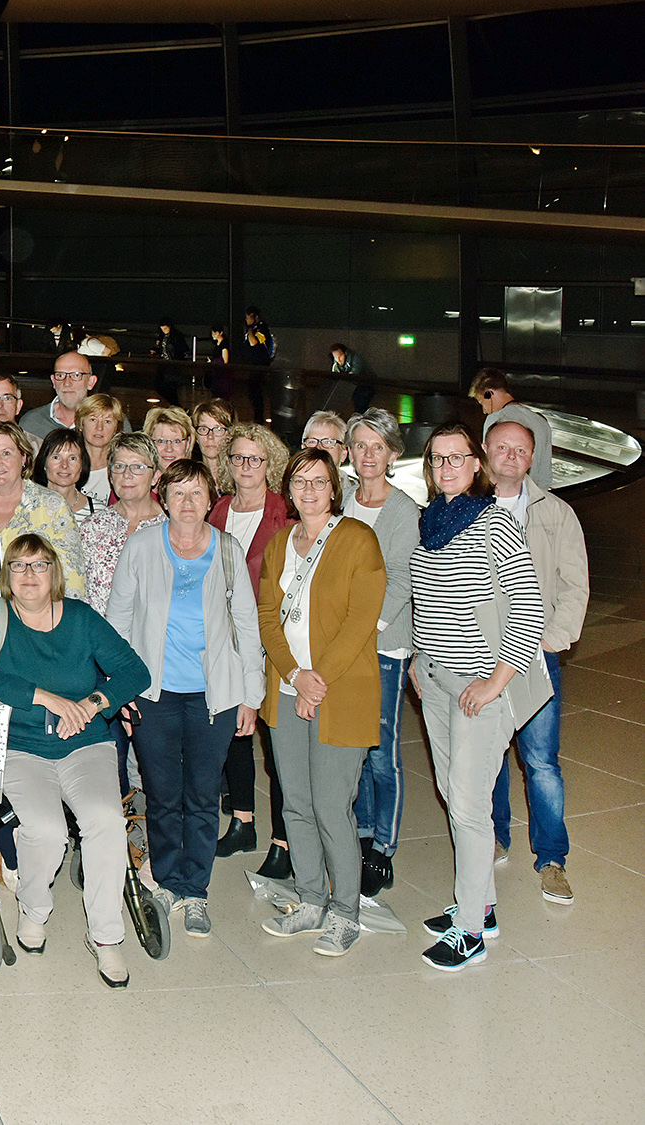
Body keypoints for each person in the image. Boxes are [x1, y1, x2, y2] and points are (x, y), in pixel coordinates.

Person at [0, 533, 148, 986]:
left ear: (55, 573)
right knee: (46, 829)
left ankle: (106, 938)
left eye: (39, 565)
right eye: (19, 566)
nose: (29, 575)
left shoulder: (82, 619)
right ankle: (34, 909)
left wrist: (92, 703)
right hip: (23, 743)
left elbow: (134, 670)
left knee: (105, 819)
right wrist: (45, 698)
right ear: (7, 574)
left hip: (86, 742)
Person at [106, 458, 264, 940]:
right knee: (161, 792)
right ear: (164, 497)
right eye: (178, 493)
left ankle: (195, 890)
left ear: (210, 498)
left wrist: (251, 697)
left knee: (200, 796)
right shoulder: (141, 546)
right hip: (153, 693)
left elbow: (248, 626)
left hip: (212, 695)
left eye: (197, 493)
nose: (188, 503)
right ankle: (167, 882)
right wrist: (121, 690)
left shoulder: (229, 550)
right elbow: (118, 621)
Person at [410, 423, 547, 971]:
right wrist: (421, 658)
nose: (446, 467)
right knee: (451, 791)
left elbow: (528, 609)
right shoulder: (430, 523)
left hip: (481, 690)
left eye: (456, 458)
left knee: (468, 805)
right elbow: (430, 598)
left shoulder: (495, 524)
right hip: (439, 683)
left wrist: (495, 682)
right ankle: (480, 905)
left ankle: (469, 930)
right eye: (437, 458)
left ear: (476, 465)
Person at [256, 449, 385, 957]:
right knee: (296, 804)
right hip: (286, 691)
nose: (309, 491)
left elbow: (361, 619)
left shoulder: (358, 539)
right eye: (299, 482)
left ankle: (346, 912)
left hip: (340, 692)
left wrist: (317, 679)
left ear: (335, 488)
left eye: (319, 482)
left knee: (333, 806)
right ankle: (310, 900)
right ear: (289, 490)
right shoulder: (279, 544)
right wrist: (293, 674)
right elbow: (268, 613)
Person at [486, 419, 587, 906]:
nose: (510, 456)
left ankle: (552, 859)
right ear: (485, 452)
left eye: (520, 450)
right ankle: (494, 837)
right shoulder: (465, 508)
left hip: (533, 657)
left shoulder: (556, 513)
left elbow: (575, 585)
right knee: (489, 757)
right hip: (481, 656)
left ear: (532, 458)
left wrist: (552, 640)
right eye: (501, 447)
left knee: (541, 760)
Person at [342, 409, 420, 897]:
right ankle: (363, 831)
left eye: (377, 446)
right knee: (355, 744)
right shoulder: (345, 500)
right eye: (360, 446)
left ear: (393, 454)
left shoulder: (404, 510)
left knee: (382, 750)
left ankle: (383, 848)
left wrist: (363, 634)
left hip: (383, 645)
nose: (367, 455)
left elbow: (400, 578)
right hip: (344, 644)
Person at [209, 422, 292, 873]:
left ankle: (284, 840)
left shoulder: (285, 512)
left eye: (254, 459)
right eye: (237, 457)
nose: (245, 466)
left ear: (270, 464)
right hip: (225, 640)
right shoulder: (218, 508)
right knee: (235, 735)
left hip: (270, 640)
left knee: (275, 742)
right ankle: (243, 822)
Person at [0, 421, 87, 601]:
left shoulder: (52, 506)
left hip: (40, 620)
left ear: (23, 457)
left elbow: (73, 577)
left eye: (6, 453)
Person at [81, 433, 165, 616]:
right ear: (110, 475)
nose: (127, 475)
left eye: (138, 467)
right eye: (119, 467)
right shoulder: (92, 527)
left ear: (155, 477)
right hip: (97, 637)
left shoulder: (170, 530)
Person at [470, 368, 553, 489]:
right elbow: (546, 475)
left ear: (489, 394)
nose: (484, 411)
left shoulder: (496, 419)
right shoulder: (541, 421)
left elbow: (489, 467)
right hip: (534, 497)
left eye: (482, 403)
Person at [19, 352, 97, 439]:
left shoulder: (103, 425)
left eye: (76, 375)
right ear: (53, 381)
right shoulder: (32, 423)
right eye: (60, 375)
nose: (67, 383)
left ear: (91, 382)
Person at [33, 428, 96, 520]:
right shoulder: (26, 508)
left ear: (82, 465)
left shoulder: (99, 512)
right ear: (44, 463)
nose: (64, 465)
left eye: (72, 458)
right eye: (56, 457)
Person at [74, 393, 126, 505]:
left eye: (107, 421)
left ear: (116, 428)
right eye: (93, 420)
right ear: (81, 424)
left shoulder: (124, 467)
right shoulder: (68, 464)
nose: (99, 427)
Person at [301, 410, 354, 494]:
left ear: (343, 453)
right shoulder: (289, 491)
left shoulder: (357, 495)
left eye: (328, 442)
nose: (319, 447)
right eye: (312, 442)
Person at [191, 398, 234, 489]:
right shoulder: (189, 479)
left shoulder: (239, 479)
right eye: (203, 429)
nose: (210, 436)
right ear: (196, 436)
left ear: (229, 435)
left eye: (218, 429)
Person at [329, 343, 375, 414]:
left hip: (367, 384)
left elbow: (353, 375)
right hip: (355, 385)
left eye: (340, 356)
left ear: (346, 353)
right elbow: (334, 374)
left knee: (361, 405)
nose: (338, 359)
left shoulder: (356, 359)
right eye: (335, 357)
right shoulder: (336, 363)